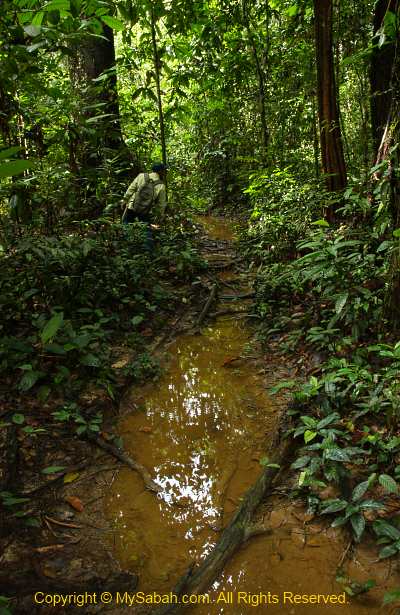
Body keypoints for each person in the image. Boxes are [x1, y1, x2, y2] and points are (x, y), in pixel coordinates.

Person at [121, 163, 167, 250]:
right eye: (164, 171)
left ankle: (127, 245)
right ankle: (147, 250)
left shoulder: (141, 176)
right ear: (160, 171)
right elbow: (161, 205)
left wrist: (124, 200)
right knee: (146, 229)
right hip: (145, 210)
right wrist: (159, 217)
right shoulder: (161, 185)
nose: (165, 173)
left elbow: (131, 189)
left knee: (126, 224)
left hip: (132, 206)